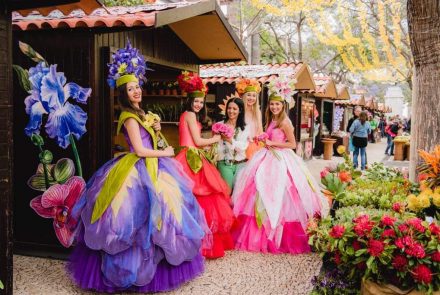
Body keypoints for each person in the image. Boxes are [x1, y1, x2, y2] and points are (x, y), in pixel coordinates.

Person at [67, 43, 209, 293]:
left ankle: (161, 267)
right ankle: (130, 270)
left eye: (137, 87)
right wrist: (165, 152)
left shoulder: (143, 114)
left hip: (155, 166)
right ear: (123, 93)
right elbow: (140, 150)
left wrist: (156, 131)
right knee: (132, 216)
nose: (136, 92)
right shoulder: (129, 117)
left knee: (168, 211)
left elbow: (155, 143)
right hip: (136, 167)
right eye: (130, 89)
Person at [231, 76, 326, 254]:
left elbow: (292, 144)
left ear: (283, 105)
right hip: (266, 156)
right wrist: (263, 138)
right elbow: (269, 137)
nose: (275, 107)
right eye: (272, 105)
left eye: (278, 105)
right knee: (258, 187)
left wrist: (273, 143)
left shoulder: (285, 122)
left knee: (282, 191)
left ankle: (278, 231)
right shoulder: (271, 120)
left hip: (281, 158)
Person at [174, 71, 234, 259]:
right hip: (190, 156)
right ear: (190, 101)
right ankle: (199, 241)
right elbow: (198, 142)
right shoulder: (190, 115)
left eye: (201, 101)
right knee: (200, 196)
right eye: (196, 101)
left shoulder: (187, 115)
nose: (199, 104)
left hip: (190, 154)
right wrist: (217, 138)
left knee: (193, 198)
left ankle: (192, 240)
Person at [217, 97, 249, 190]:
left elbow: (243, 147)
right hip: (225, 163)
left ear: (240, 110)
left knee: (239, 193)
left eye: (235, 109)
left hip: (241, 164)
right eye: (229, 108)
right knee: (228, 192)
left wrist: (229, 140)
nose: (231, 111)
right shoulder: (219, 125)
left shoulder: (245, 128)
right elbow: (217, 145)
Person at [236, 78, 264, 159]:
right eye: (248, 95)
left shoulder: (257, 112)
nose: (251, 98)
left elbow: (260, 129)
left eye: (254, 96)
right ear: (244, 96)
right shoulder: (239, 111)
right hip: (242, 144)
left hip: (255, 145)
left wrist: (260, 139)